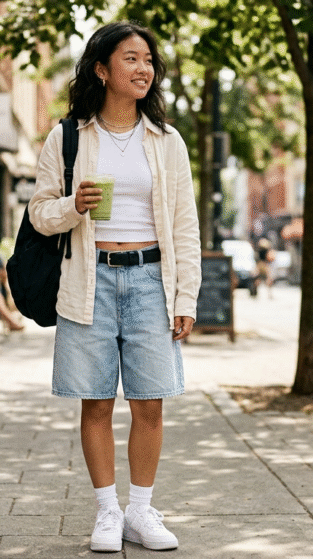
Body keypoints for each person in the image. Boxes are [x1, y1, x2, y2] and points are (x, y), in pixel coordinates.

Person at [27, 21, 200, 553]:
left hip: (152, 280)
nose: (143, 68)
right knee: (96, 402)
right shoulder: (70, 137)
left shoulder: (167, 141)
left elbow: (186, 224)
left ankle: (142, 512)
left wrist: (185, 297)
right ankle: (107, 511)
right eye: (130, 58)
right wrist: (71, 207)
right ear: (101, 69)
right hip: (89, 278)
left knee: (151, 403)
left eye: (148, 59)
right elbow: (37, 214)